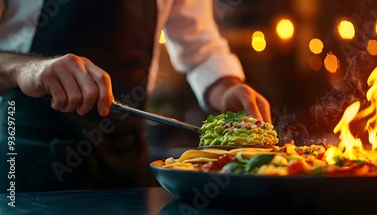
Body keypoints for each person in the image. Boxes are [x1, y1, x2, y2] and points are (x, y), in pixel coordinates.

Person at [0, 0, 271, 192]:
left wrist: (227, 88)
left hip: (127, 162)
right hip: (29, 159)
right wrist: (27, 68)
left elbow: (202, 52)